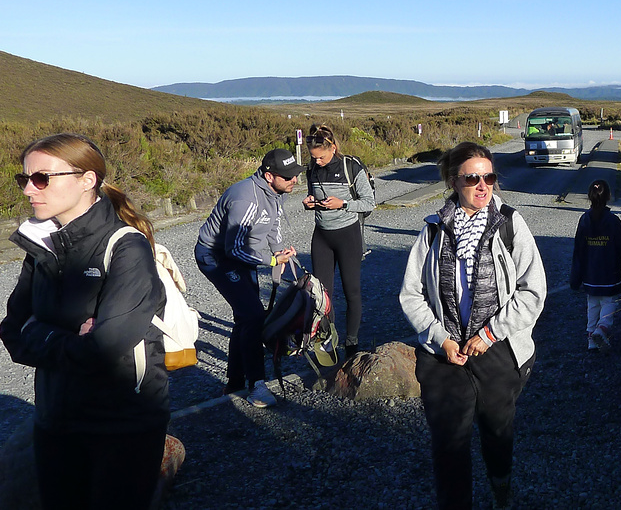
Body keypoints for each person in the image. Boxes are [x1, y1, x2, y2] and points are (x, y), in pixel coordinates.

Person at [0, 133, 169, 510]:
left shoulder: (127, 246)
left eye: (42, 178)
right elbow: (12, 332)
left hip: (123, 422)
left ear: (87, 180)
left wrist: (41, 335)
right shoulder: (41, 245)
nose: (29, 189)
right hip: (54, 418)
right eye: (23, 179)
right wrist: (69, 339)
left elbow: (104, 349)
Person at [399, 142, 546, 510]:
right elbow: (411, 294)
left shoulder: (511, 224)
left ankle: (500, 486)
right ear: (454, 181)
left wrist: (491, 333)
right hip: (445, 352)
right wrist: (440, 338)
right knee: (449, 441)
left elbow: (533, 291)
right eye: (473, 178)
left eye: (489, 177)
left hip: (496, 349)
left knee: (497, 431)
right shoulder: (433, 230)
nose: (483, 185)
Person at [194, 148, 302, 408]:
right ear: (268, 175)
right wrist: (273, 261)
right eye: (287, 177)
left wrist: (278, 250)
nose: (294, 181)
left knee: (246, 316)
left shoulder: (276, 192)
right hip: (217, 256)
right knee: (253, 315)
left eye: (295, 175)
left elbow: (273, 226)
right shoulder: (245, 198)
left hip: (243, 254)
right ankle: (257, 386)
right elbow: (234, 249)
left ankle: (235, 383)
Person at [300, 124, 376, 357]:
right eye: (314, 158)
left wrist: (343, 204)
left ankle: (351, 343)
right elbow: (314, 194)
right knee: (322, 295)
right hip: (321, 234)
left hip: (348, 235)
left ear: (332, 148)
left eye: (321, 157)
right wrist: (310, 202)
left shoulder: (351, 167)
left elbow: (369, 203)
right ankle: (327, 341)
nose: (318, 162)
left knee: (351, 291)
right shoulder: (312, 169)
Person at [569, 179, 621, 351]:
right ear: (608, 196)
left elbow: (578, 251)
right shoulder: (613, 221)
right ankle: (601, 330)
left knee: (593, 306)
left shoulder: (584, 220)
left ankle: (591, 339)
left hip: (590, 277)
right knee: (609, 305)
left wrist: (575, 279)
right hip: (609, 276)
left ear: (589, 196)